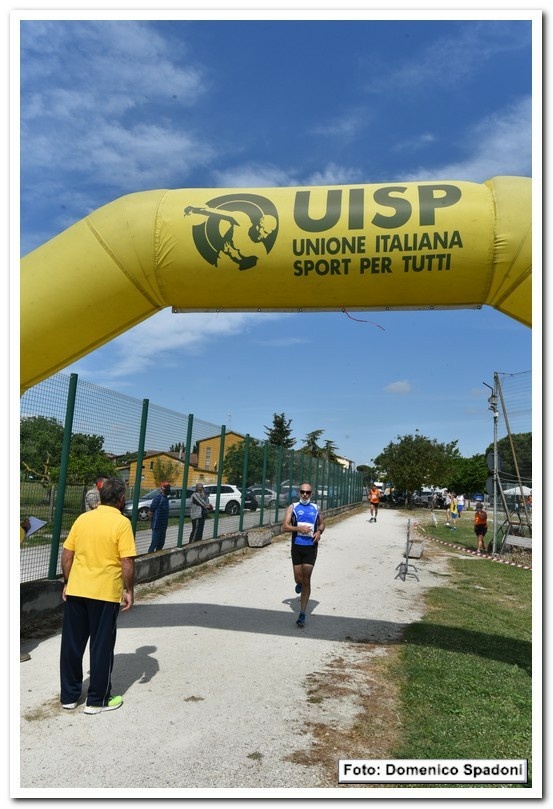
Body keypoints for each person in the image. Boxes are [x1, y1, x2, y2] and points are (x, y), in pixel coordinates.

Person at [59, 477, 136, 713]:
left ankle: (69, 696)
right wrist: (129, 590)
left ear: (101, 497)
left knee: (71, 644)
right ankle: (97, 700)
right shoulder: (122, 523)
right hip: (104, 593)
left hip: (77, 590)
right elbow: (126, 561)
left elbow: (67, 555)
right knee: (101, 646)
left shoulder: (83, 519)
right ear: (121, 499)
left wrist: (67, 582)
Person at [282, 483, 325, 629]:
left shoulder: (316, 508)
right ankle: (299, 583)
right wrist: (298, 528)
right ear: (299, 493)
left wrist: (319, 532)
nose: (305, 495)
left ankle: (302, 613)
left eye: (307, 492)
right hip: (297, 547)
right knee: (298, 578)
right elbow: (285, 526)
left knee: (307, 579)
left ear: (312, 494)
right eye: (302, 492)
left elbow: (322, 524)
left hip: (311, 547)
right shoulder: (293, 507)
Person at [147, 482, 171, 553]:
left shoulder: (166, 498)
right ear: (161, 488)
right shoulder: (158, 498)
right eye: (166, 487)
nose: (168, 489)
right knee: (154, 543)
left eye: (168, 488)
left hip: (164, 525)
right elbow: (150, 512)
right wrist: (150, 522)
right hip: (157, 525)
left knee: (161, 544)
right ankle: (150, 556)